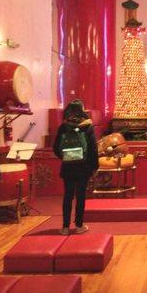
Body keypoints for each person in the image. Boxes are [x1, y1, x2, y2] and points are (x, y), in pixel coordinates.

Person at [53, 100, 98, 235]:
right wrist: (94, 166)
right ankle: (79, 226)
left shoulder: (63, 127)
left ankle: (65, 227)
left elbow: (56, 148)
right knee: (80, 196)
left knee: (67, 196)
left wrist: (67, 157)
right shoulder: (88, 126)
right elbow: (93, 149)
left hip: (68, 167)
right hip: (83, 168)